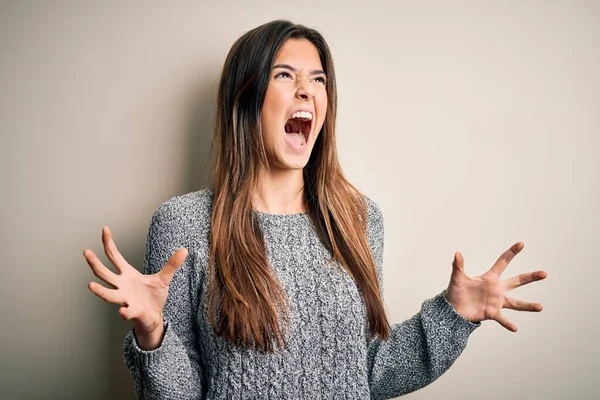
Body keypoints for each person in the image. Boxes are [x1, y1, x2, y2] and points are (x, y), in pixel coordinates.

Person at [82, 20, 547, 399]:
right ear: (246, 98)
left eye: (318, 80)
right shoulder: (184, 224)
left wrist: (453, 314)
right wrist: (154, 333)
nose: (307, 91)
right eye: (285, 75)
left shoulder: (359, 218)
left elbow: (370, 372)